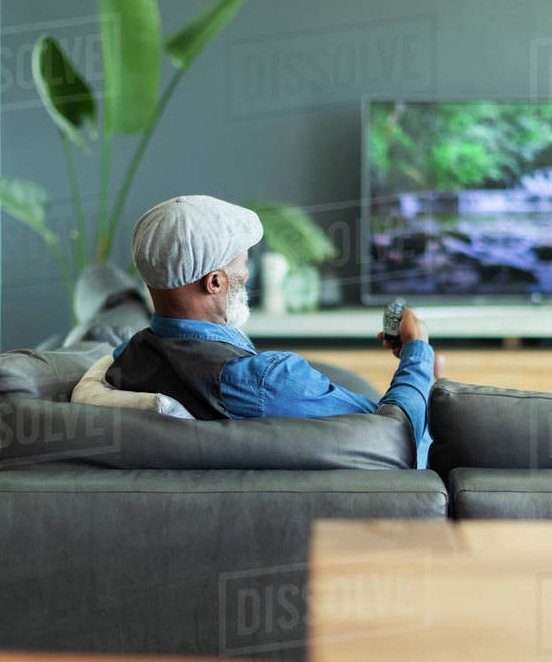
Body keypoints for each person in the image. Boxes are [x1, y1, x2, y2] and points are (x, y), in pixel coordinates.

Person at [105, 194, 439, 467]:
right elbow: (393, 436)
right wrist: (417, 352)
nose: (247, 275)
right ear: (215, 282)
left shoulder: (126, 357)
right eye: (243, 262)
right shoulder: (265, 380)